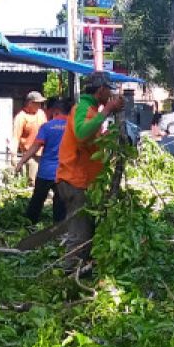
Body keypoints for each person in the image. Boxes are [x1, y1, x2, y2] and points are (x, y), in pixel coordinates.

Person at [56, 72, 124, 273]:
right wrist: (108, 111)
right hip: (75, 180)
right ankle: (70, 277)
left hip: (84, 181)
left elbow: (93, 141)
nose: (110, 94)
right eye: (108, 90)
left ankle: (82, 272)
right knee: (80, 233)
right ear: (100, 90)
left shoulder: (91, 110)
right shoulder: (83, 108)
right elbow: (81, 133)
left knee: (87, 231)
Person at [13, 97, 70, 223]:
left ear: (55, 112)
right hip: (63, 173)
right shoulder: (72, 128)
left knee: (37, 201)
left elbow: (35, 147)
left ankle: (29, 225)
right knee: (60, 204)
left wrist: (21, 161)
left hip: (45, 172)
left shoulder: (47, 127)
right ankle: (57, 229)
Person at [12, 91, 47, 181]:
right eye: (38, 103)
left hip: (45, 154)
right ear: (30, 103)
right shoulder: (21, 117)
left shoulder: (41, 114)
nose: (40, 106)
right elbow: (15, 137)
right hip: (30, 156)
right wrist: (13, 156)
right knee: (33, 181)